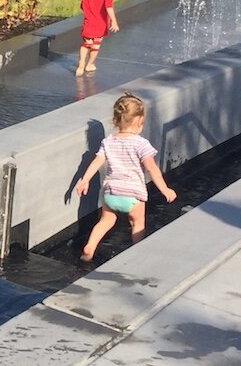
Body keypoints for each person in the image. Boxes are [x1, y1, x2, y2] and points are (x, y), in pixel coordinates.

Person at [75, 91, 177, 262]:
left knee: (105, 222)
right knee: (137, 225)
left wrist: (84, 180)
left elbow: (97, 162)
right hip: (133, 194)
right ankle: (136, 257)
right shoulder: (141, 144)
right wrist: (165, 188)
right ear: (139, 122)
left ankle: (90, 246)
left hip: (111, 192)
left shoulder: (108, 142)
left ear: (116, 120)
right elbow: (152, 169)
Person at [77, 0, 119, 75]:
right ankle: (89, 64)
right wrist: (114, 22)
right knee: (95, 46)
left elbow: (82, 6)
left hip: (88, 23)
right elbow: (109, 7)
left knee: (86, 44)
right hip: (100, 24)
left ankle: (81, 63)